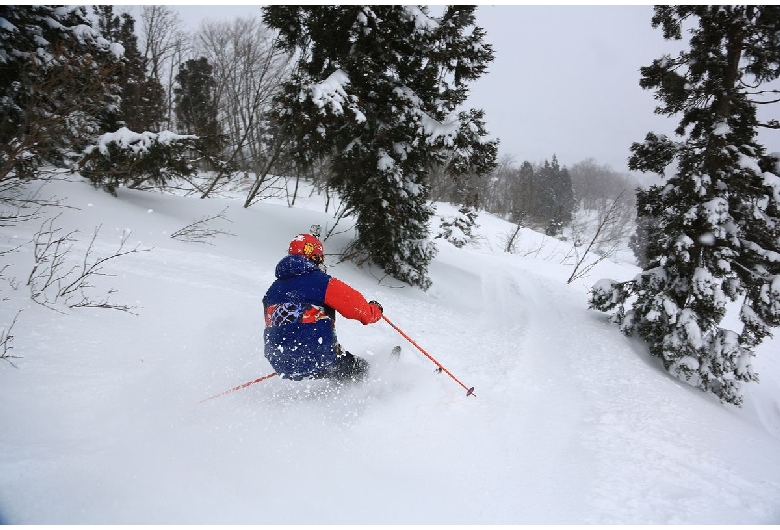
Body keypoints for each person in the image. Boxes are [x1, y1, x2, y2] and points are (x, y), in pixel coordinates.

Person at [263, 233, 383, 382]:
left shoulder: (272, 291)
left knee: (336, 368)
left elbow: (274, 323)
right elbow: (360, 311)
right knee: (357, 369)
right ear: (315, 257)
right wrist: (375, 310)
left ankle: (340, 387)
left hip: (280, 361)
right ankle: (375, 389)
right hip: (318, 355)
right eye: (321, 258)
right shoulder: (321, 282)